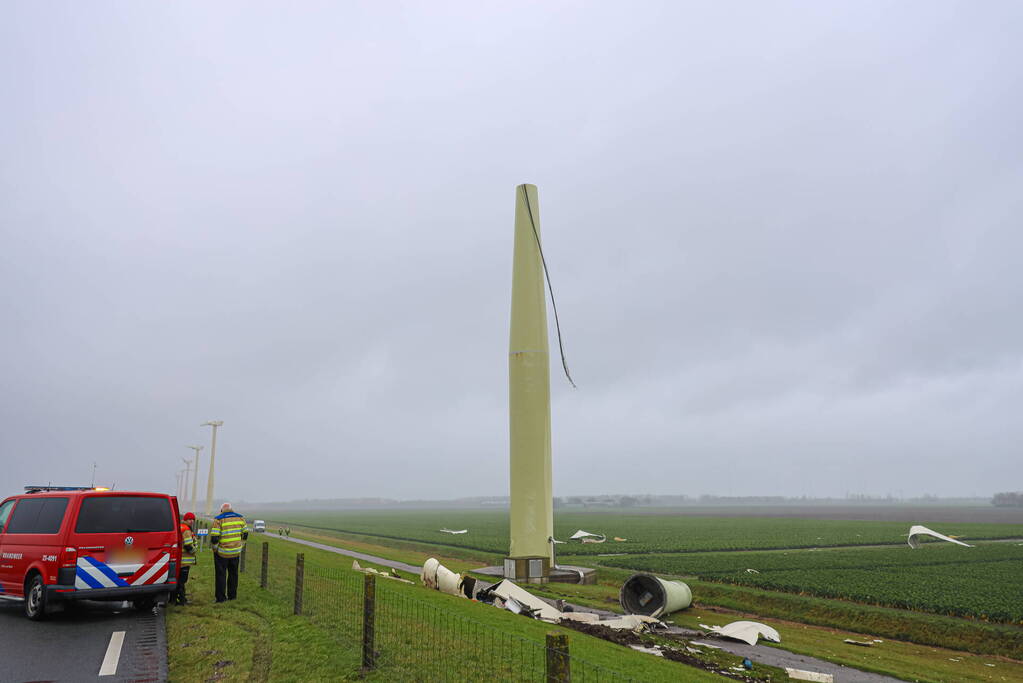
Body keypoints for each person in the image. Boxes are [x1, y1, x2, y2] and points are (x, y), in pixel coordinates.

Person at [210, 502, 248, 603]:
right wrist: (241, 545)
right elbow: (245, 534)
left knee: (221, 575)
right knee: (233, 574)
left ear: (221, 510)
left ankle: (221, 598)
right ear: (232, 509)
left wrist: (215, 549)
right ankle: (232, 596)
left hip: (222, 553)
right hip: (235, 552)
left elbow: (214, 538)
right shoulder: (240, 518)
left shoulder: (218, 519)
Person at [174, 512, 198, 605]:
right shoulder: (186, 529)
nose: (191, 521)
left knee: (178, 580)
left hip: (179, 559)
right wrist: (194, 551)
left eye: (193, 519)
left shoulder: (180, 527)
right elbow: (188, 545)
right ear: (185, 519)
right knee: (182, 581)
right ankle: (182, 600)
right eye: (190, 519)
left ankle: (175, 599)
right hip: (184, 560)